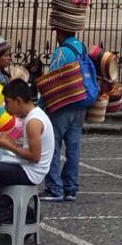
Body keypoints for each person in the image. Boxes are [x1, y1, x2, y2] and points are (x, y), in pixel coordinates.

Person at [0, 78, 55, 235]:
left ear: (18, 100)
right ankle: (25, 215)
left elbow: (34, 156)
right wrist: (4, 139)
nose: (6, 106)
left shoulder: (33, 121)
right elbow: (22, 148)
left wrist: (5, 145)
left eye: (8, 102)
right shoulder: (32, 116)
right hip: (28, 167)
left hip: (31, 172)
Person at [41, 27, 92, 203]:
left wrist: (42, 104)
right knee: (73, 147)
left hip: (63, 104)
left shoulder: (62, 52)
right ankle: (70, 188)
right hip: (81, 103)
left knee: (53, 145)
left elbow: (51, 79)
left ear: (60, 33)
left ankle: (55, 188)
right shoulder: (81, 48)